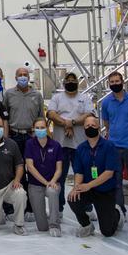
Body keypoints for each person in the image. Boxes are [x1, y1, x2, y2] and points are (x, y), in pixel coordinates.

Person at [100, 70, 128, 225]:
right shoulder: (106, 102)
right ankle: (120, 210)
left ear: (122, 82)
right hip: (114, 147)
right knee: (116, 181)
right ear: (109, 84)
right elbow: (106, 123)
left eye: (117, 81)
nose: (115, 84)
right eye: (111, 82)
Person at [68, 114, 123, 237]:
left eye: (93, 125)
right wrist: (76, 187)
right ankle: (86, 225)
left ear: (98, 127)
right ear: (83, 128)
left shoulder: (109, 146)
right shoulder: (81, 148)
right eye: (87, 125)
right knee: (73, 198)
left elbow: (109, 173)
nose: (90, 127)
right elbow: (79, 172)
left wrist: (88, 185)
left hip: (105, 190)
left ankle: (117, 214)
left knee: (107, 232)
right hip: (88, 189)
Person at [48, 71, 93, 210]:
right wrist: (66, 124)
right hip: (60, 145)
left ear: (78, 83)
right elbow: (51, 113)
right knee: (59, 177)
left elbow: (89, 115)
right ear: (64, 83)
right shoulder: (57, 98)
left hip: (80, 145)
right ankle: (59, 208)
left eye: (74, 80)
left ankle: (86, 207)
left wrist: (72, 123)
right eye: (68, 80)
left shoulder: (85, 98)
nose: (71, 82)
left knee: (84, 175)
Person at [24, 115, 63, 235]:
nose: (40, 130)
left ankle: (55, 224)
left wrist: (52, 182)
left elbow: (59, 169)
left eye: (42, 127)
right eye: (37, 128)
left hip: (53, 183)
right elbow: (30, 167)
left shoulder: (56, 145)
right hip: (35, 185)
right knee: (42, 227)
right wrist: (46, 183)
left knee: (52, 191)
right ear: (33, 129)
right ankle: (45, 221)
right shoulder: (29, 144)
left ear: (47, 128)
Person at [3, 65, 44, 162]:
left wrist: (40, 135)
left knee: (33, 163)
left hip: (32, 136)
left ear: (29, 78)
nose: (23, 77)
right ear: (16, 78)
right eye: (20, 75)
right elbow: (5, 116)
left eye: (25, 75)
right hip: (14, 136)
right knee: (17, 164)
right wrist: (6, 136)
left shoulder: (37, 95)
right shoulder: (9, 94)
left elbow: (41, 117)